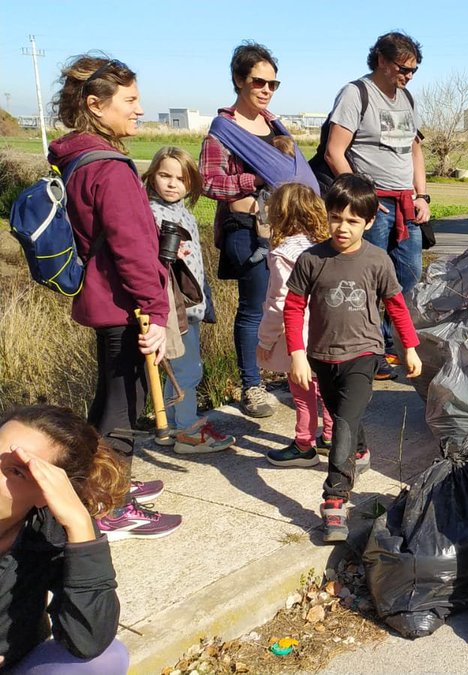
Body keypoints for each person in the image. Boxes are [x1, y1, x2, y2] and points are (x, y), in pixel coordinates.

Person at [48, 54, 182, 539]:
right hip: (127, 307)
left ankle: (99, 482)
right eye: (130, 100)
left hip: (105, 301)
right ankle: (106, 506)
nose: (139, 110)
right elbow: (133, 250)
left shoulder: (79, 159)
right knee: (122, 409)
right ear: (95, 105)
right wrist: (156, 310)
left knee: (110, 397)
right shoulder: (109, 168)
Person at [282, 174, 422, 543]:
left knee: (342, 421)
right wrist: (297, 354)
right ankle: (359, 450)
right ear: (326, 216)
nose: (342, 228)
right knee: (347, 416)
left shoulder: (377, 261)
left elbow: (396, 306)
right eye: (335, 218)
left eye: (353, 221)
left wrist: (409, 346)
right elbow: (294, 308)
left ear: (370, 221)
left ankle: (334, 499)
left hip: (364, 353)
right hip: (321, 356)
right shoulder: (311, 260)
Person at [201, 42, 319, 418]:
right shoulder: (223, 130)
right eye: (259, 82)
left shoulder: (274, 124)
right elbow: (208, 182)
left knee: (294, 303)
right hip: (249, 231)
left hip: (289, 229)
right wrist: (256, 178)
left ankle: (287, 367)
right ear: (238, 80)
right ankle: (252, 386)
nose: (267, 90)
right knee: (254, 307)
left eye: (273, 83)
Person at [322, 31, 430, 379]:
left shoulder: (408, 99)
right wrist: (363, 202)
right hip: (374, 204)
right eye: (403, 68)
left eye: (414, 70)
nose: (408, 76)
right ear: (381, 60)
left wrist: (421, 195)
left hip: (405, 204)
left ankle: (402, 347)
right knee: (366, 281)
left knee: (407, 280)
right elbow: (334, 152)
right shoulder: (356, 94)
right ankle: (370, 353)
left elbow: (415, 150)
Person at [0, 405, 130, 673]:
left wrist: (79, 525)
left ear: (46, 494)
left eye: (16, 472)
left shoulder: (47, 533)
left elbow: (89, 640)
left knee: (106, 659)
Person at [143, 146, 235, 455]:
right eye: (164, 175)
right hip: (170, 310)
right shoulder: (150, 213)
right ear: (152, 175)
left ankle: (169, 426)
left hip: (189, 306)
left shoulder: (185, 213)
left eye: (180, 178)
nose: (172, 184)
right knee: (187, 370)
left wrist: (205, 303)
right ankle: (186, 430)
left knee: (178, 369)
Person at [257, 183, 336, 467]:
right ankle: (330, 436)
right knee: (326, 388)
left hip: (298, 336)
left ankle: (304, 444)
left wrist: (265, 341)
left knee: (302, 394)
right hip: (328, 332)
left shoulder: (284, 254)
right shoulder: (326, 247)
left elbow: (279, 303)